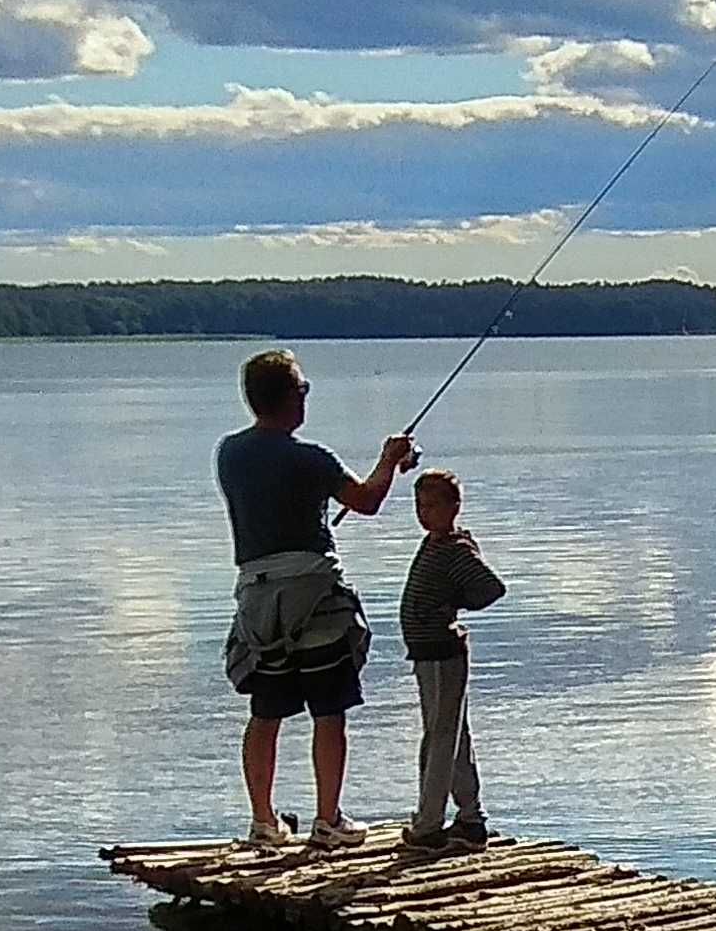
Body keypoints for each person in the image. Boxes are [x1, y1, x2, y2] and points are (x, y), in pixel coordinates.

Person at [217, 349, 416, 847]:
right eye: (303, 390)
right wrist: (390, 460)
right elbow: (367, 501)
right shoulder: (311, 458)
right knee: (329, 709)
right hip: (315, 595)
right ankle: (328, 820)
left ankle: (264, 822)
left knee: (265, 712)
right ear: (289, 398)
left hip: (258, 600)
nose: (306, 398)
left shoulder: (229, 453)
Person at [395, 469, 507, 852]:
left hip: (443, 653)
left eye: (431, 506)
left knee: (439, 740)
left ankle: (428, 825)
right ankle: (470, 819)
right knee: (453, 737)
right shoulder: (435, 543)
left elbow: (491, 588)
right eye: (419, 506)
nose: (424, 513)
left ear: (453, 507)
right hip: (428, 654)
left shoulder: (455, 548)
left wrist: (453, 605)